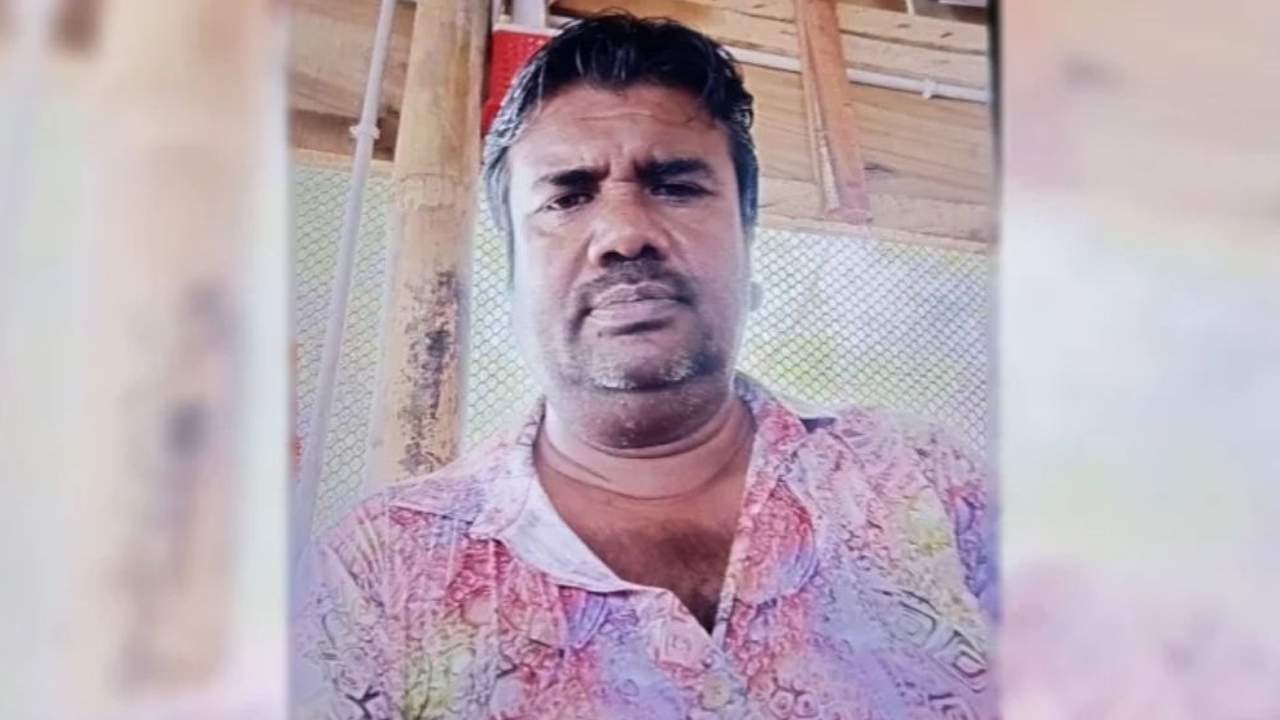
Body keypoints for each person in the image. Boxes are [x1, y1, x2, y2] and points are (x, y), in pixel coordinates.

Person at [295, 12, 995, 719]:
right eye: (567, 196)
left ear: (748, 243)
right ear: (511, 279)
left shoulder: (924, 479)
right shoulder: (382, 568)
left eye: (675, 186)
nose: (625, 234)